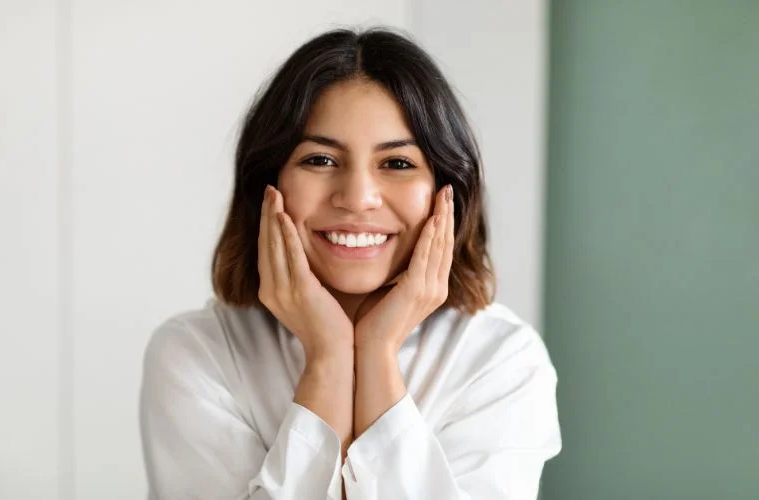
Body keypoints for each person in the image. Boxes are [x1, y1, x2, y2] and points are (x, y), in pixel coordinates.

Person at [139, 26, 561, 500]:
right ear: (266, 187)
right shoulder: (196, 354)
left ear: (447, 192)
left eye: (398, 163)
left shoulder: (500, 360)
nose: (357, 198)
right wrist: (329, 356)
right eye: (320, 159)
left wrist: (377, 355)